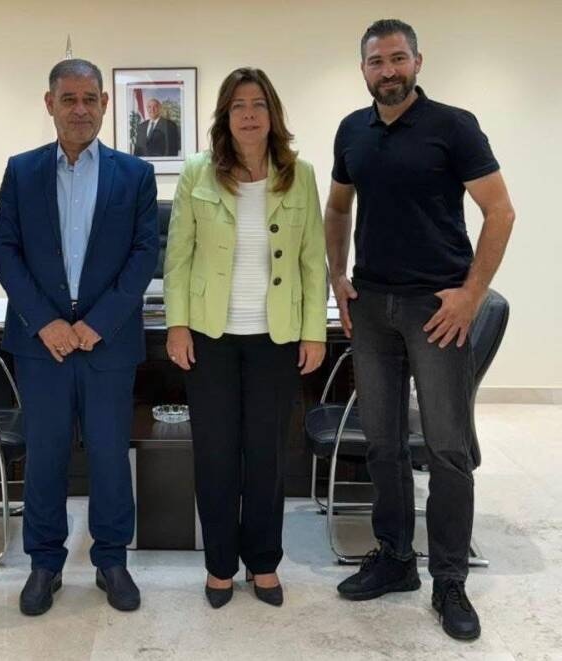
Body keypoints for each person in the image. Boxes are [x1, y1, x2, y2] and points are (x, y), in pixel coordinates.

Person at [325, 19, 515, 641]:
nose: (388, 70)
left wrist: (471, 295)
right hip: (372, 307)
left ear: (417, 61)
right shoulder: (352, 130)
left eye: (398, 58)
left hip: (436, 311)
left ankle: (450, 580)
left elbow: (499, 211)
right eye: (376, 61)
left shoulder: (453, 126)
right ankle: (395, 558)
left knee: (447, 450)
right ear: (363, 69)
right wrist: (337, 275)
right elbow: (338, 206)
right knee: (382, 445)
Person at [0, 58, 158, 616]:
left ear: (105, 104)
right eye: (69, 99)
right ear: (50, 104)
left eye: (90, 99)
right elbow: (5, 250)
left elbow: (144, 256)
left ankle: (112, 560)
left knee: (110, 457)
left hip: (107, 344)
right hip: (41, 346)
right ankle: (44, 563)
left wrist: (95, 323)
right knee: (45, 457)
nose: (80, 109)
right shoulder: (21, 171)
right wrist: (46, 322)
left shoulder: (134, 174)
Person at [164, 67, 327, 609]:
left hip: (275, 339)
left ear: (272, 113)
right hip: (210, 336)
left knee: (266, 457)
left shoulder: (299, 174)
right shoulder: (198, 172)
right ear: (225, 116)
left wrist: (313, 332)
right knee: (214, 455)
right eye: (238, 105)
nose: (249, 114)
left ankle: (263, 562)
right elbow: (178, 256)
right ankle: (219, 565)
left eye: (258, 104)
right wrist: (177, 324)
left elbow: (312, 261)